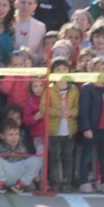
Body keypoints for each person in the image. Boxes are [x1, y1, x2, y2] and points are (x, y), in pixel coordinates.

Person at [78, 58, 104, 194]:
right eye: (97, 69)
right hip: (92, 128)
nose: (100, 72)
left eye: (103, 69)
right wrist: (86, 127)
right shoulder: (87, 88)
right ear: (90, 70)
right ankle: (84, 182)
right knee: (86, 156)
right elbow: (83, 110)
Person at [42, 57, 79, 192]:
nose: (62, 72)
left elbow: (78, 107)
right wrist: (56, 112)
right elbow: (43, 108)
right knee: (55, 157)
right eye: (58, 69)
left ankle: (67, 182)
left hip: (70, 131)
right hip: (54, 131)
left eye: (64, 69)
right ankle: (56, 181)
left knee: (68, 157)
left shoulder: (74, 90)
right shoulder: (49, 89)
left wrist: (71, 112)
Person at [0, 117, 43, 194]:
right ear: (2, 136)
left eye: (16, 134)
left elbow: (28, 164)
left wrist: (35, 173)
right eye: (10, 135)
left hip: (19, 175)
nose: (14, 137)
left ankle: (21, 184)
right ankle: (1, 184)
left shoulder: (22, 148)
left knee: (36, 160)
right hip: (4, 175)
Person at [13, 0, 46, 64]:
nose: (26, 6)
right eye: (23, 2)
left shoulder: (41, 27)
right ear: (16, 4)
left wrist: (28, 56)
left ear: (35, 6)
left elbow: (41, 55)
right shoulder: (8, 23)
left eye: (30, 3)